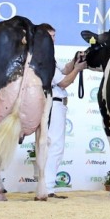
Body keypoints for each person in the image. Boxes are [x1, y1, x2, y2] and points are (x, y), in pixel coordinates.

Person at [44, 24, 87, 198]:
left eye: (54, 36)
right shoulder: (44, 58)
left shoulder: (49, 56)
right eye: (50, 36)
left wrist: (74, 61)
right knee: (54, 145)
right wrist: (78, 69)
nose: (54, 39)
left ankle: (47, 186)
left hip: (56, 104)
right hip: (53, 104)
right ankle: (47, 188)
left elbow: (64, 69)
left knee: (52, 145)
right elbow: (63, 82)